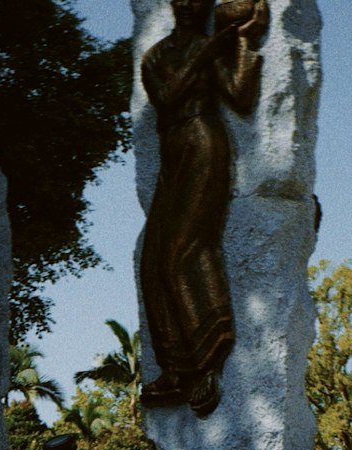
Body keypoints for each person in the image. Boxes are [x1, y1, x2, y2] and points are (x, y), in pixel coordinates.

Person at [139, 0, 269, 419]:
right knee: (152, 262)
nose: (193, 4)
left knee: (183, 252)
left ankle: (207, 363)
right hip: (172, 151)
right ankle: (175, 369)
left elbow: (241, 96)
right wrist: (208, 51)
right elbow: (165, 96)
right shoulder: (157, 55)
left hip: (203, 143)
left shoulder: (210, 46)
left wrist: (246, 41)